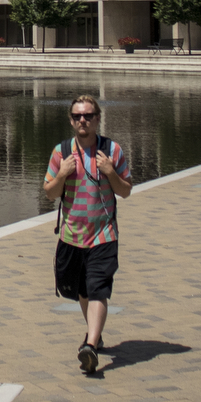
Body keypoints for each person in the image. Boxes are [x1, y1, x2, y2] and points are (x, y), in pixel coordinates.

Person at [43, 92, 133, 374]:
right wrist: (61, 175)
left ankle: (91, 345)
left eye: (88, 116)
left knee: (97, 288)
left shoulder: (112, 151)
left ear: (97, 119)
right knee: (82, 290)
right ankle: (95, 333)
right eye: (78, 116)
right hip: (72, 235)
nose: (83, 120)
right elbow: (49, 193)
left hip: (104, 234)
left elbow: (125, 191)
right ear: (71, 121)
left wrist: (110, 172)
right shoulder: (61, 152)